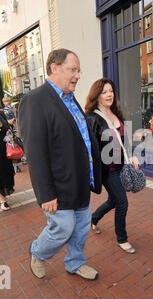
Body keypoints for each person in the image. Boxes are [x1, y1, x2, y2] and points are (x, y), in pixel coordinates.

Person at [19, 48, 102, 280]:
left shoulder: (69, 98)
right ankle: (37, 252)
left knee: (81, 228)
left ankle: (75, 263)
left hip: (81, 181)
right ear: (54, 68)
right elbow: (35, 152)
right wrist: (45, 194)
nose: (77, 75)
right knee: (63, 229)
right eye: (72, 70)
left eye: (79, 70)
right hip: (58, 187)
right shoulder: (34, 100)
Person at [85, 78, 139, 254]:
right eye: (104, 92)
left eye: (111, 91)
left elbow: (125, 139)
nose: (109, 95)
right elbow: (89, 147)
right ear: (97, 95)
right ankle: (122, 239)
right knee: (122, 202)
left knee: (113, 201)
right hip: (107, 170)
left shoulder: (116, 113)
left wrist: (131, 156)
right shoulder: (92, 118)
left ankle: (94, 218)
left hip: (121, 165)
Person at [2, 96, 22, 173]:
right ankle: (17, 166)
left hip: (9, 130)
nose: (5, 103)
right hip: (12, 130)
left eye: (5, 101)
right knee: (15, 147)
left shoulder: (6, 110)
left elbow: (9, 121)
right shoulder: (11, 108)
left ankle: (15, 167)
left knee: (11, 148)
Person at [0, 110, 15, 211]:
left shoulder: (1, 114)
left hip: (4, 151)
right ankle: (2, 200)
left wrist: (10, 125)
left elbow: (6, 128)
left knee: (5, 173)